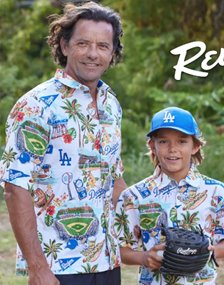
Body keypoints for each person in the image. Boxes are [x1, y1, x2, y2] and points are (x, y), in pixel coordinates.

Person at [0, 2, 126, 285]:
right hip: (57, 268)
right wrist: (37, 268)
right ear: (64, 45)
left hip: (107, 260)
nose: (93, 54)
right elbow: (14, 187)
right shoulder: (35, 106)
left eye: (103, 46)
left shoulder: (111, 104)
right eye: (83, 43)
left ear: (113, 52)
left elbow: (114, 177)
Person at [115, 107, 224, 284]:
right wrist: (144, 258)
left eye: (182, 141)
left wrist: (207, 252)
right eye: (163, 141)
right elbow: (122, 250)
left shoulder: (218, 192)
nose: (172, 149)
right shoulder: (133, 196)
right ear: (152, 145)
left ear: (195, 146)